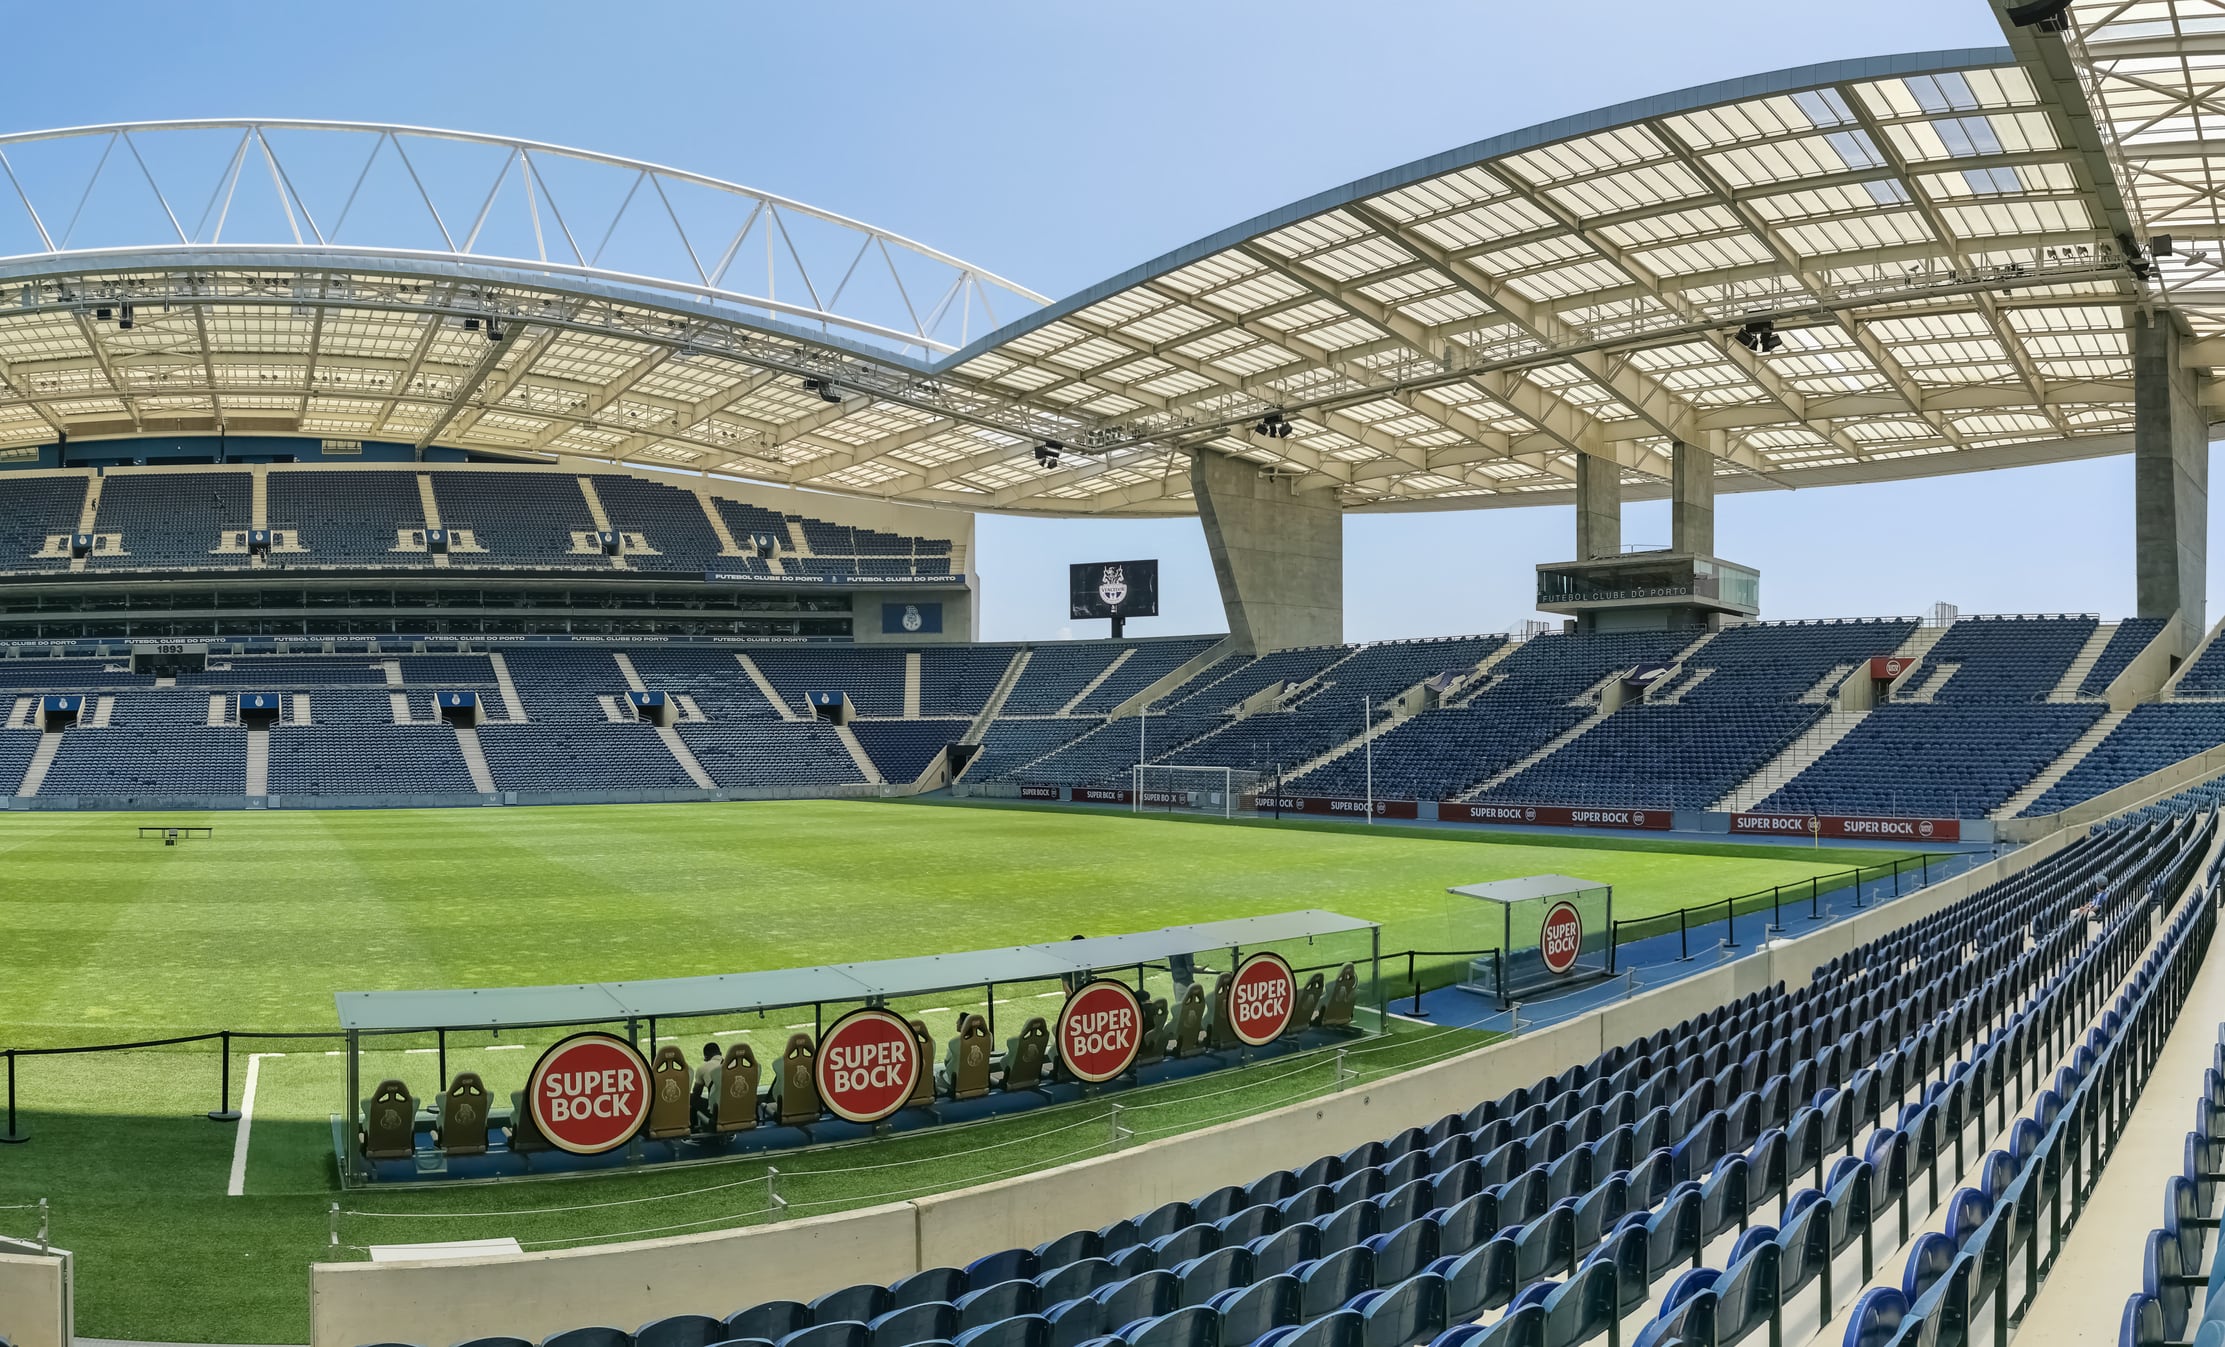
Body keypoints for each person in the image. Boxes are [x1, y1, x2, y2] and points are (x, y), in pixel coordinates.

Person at [690, 1042, 722, 1131]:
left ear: (706, 1057)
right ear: (720, 1054)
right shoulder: (731, 1064)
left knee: (690, 1099)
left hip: (716, 1112)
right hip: (735, 1109)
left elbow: (696, 1094)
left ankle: (693, 1130)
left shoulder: (703, 1068)